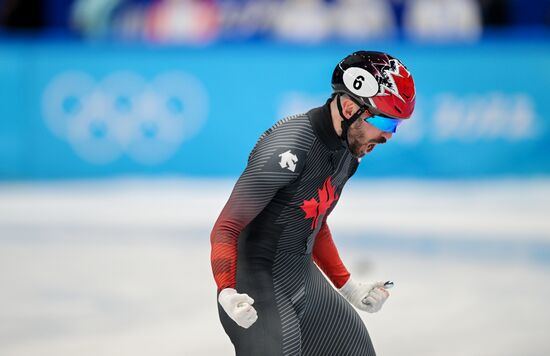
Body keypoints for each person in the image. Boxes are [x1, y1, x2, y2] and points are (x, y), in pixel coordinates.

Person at [210, 50, 416, 356]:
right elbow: (226, 227)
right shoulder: (288, 148)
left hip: (302, 280)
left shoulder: (349, 153)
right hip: (254, 289)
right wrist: (226, 289)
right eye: (386, 123)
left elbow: (313, 222)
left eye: (396, 126)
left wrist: (347, 286)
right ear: (349, 108)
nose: (389, 136)